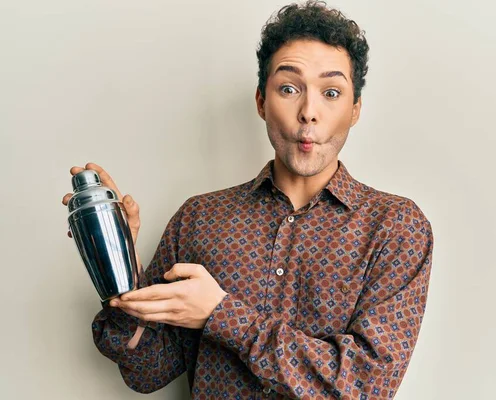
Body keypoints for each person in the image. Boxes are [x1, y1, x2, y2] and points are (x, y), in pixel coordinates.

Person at [62, 1, 434, 398]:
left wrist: (221, 314)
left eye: (331, 92)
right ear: (261, 101)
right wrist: (116, 268)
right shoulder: (200, 218)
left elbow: (365, 386)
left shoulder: (395, 226)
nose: (309, 112)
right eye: (289, 89)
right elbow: (147, 370)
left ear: (355, 109)